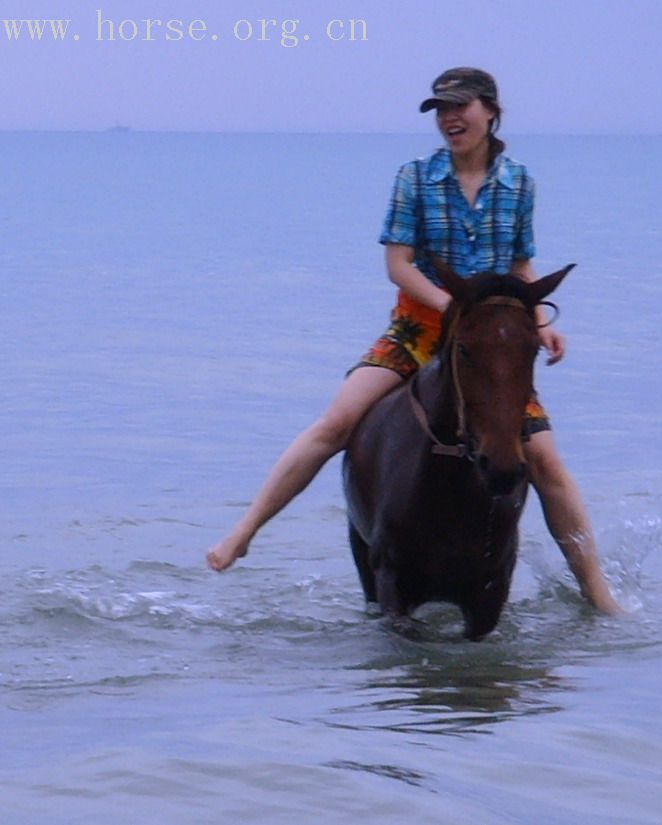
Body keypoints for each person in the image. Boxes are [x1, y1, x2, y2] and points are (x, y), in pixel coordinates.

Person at [206, 67, 622, 615]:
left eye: (460, 108)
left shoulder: (520, 182)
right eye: (441, 111)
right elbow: (397, 265)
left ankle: (598, 594)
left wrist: (538, 322)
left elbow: (521, 266)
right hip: (420, 326)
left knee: (544, 462)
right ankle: (244, 530)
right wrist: (453, 307)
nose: (451, 119)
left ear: (490, 111)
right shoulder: (415, 177)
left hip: (490, 343)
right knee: (336, 423)